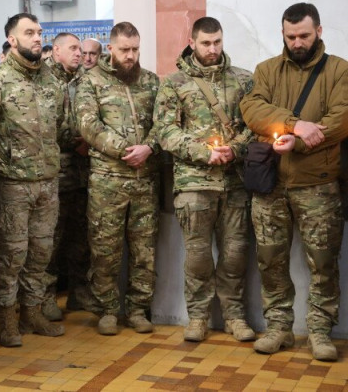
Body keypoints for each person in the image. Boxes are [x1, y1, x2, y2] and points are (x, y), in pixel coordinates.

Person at [240, 2, 348, 361]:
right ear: (283, 34)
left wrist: (297, 142)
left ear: (319, 31)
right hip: (271, 185)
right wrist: (294, 124)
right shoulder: (267, 70)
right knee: (270, 260)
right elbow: (252, 109)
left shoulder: (340, 71)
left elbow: (341, 118)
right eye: (291, 36)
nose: (297, 42)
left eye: (304, 35)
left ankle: (319, 331)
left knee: (323, 262)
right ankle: (279, 328)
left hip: (318, 184)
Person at [154, 17, 256, 343]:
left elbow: (254, 125)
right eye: (206, 43)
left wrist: (235, 149)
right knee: (198, 256)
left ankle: (234, 316)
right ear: (192, 42)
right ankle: (198, 317)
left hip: (235, 181)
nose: (212, 49)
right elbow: (165, 131)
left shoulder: (243, 79)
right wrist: (204, 153)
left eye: (217, 42)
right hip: (194, 183)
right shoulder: (174, 83)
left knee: (235, 253)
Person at [0, 13, 65, 347]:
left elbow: (60, 127)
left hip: (48, 183)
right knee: (11, 256)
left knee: (41, 253)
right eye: (29, 33)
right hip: (11, 186)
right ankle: (7, 321)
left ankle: (32, 313)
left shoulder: (52, 82)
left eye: (39, 32)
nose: (37, 38)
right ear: (12, 40)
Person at [74, 22, 159, 336]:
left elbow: (164, 122)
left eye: (135, 49)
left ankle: (137, 309)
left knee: (144, 251)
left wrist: (149, 147)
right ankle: (107, 309)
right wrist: (126, 150)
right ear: (110, 48)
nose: (130, 56)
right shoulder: (91, 81)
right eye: (124, 49)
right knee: (105, 249)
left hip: (145, 181)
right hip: (107, 182)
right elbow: (88, 125)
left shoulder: (150, 82)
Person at [42, 32, 94, 320]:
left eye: (81, 49)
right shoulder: (43, 79)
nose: (79, 54)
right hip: (56, 173)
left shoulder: (85, 79)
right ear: (56, 50)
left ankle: (79, 292)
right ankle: (46, 296)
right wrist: (76, 140)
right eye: (73, 48)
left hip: (83, 172)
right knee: (52, 239)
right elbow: (42, 125)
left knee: (81, 237)